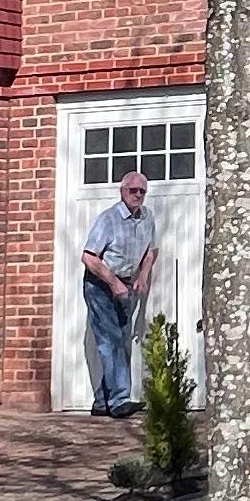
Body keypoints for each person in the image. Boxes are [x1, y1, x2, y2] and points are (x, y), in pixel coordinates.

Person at [81, 164, 158, 415]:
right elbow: (89, 257)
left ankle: (103, 402)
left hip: (127, 286)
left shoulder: (147, 218)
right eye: (133, 190)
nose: (137, 195)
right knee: (110, 341)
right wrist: (113, 283)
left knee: (121, 342)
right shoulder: (108, 219)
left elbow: (151, 251)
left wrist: (143, 275)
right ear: (122, 191)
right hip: (100, 285)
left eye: (142, 191)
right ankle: (119, 401)